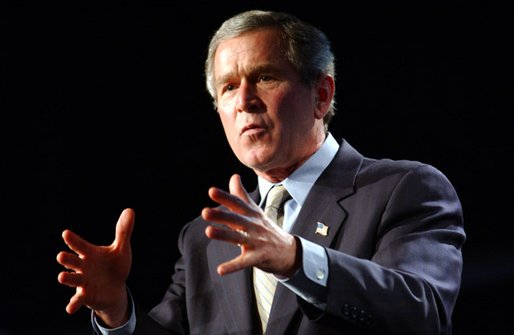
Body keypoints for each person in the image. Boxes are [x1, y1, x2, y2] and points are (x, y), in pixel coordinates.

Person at [56, 9, 466, 335]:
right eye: (229, 87)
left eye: (265, 77)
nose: (245, 101)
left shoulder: (403, 189)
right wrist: (115, 310)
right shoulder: (205, 238)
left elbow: (423, 313)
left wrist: (295, 258)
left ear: (321, 95)